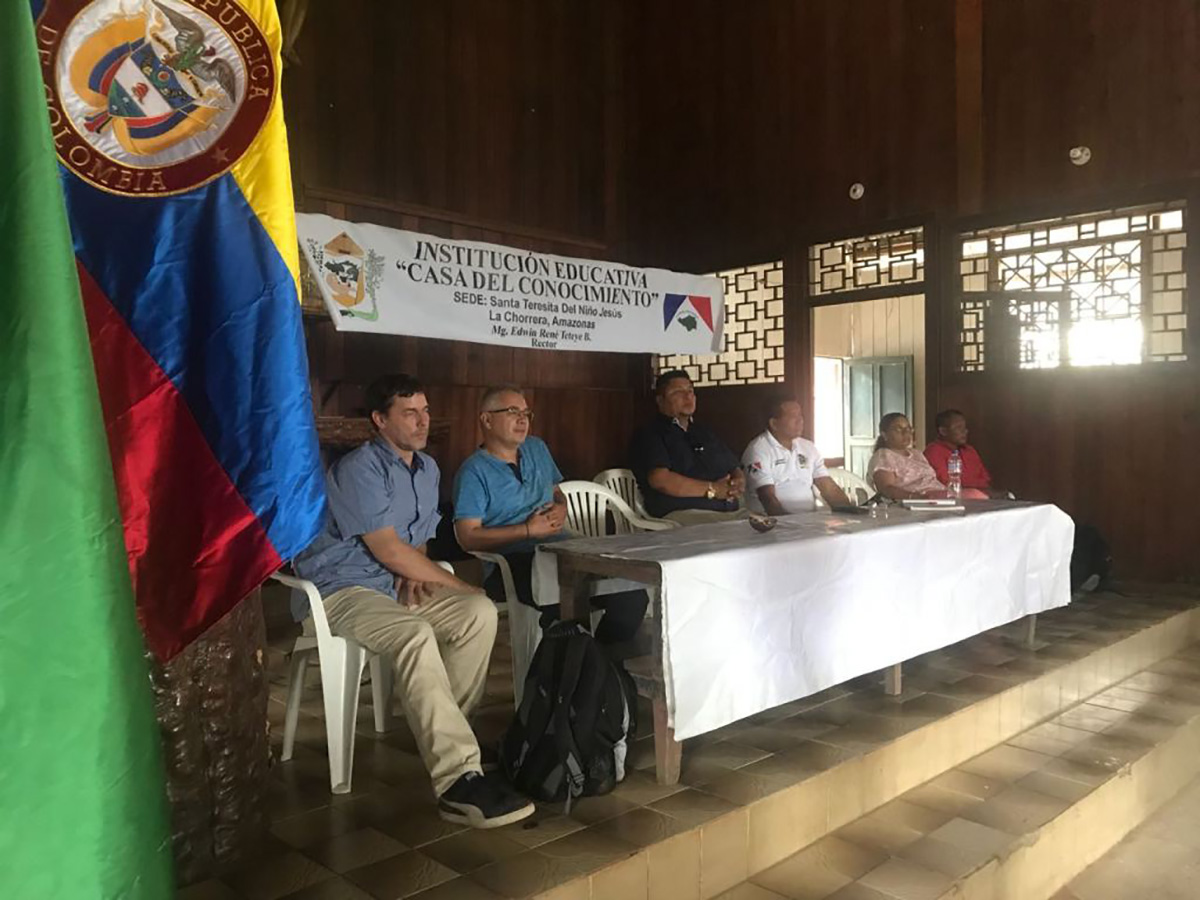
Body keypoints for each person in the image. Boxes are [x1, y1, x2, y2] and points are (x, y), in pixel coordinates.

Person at [292, 375, 533, 828]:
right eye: (410, 413)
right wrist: (456, 583)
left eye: (425, 411)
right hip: (340, 591)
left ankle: (454, 744)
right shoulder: (359, 468)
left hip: (390, 585)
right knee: (420, 629)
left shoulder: (427, 469)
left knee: (478, 615)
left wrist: (416, 574)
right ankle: (457, 780)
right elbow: (387, 548)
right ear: (380, 420)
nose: (423, 421)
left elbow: (414, 546)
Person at [452, 385, 647, 643]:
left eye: (526, 413)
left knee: (631, 595)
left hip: (564, 549)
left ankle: (599, 671)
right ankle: (574, 674)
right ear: (486, 419)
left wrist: (562, 506)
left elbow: (557, 492)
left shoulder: (536, 448)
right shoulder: (473, 472)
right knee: (567, 606)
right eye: (512, 412)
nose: (523, 419)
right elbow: (467, 537)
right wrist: (527, 531)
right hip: (514, 561)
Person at [629, 369, 747, 524]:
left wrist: (737, 482)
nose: (687, 396)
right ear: (660, 400)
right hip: (683, 513)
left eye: (690, 391)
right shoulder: (651, 433)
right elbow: (660, 480)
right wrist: (713, 489)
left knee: (769, 526)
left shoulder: (704, 431)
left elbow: (733, 467)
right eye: (677, 392)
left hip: (728, 509)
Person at [742, 396, 852, 514]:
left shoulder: (808, 447)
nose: (800, 421)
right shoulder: (758, 450)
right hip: (772, 524)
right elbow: (768, 499)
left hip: (809, 521)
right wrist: (792, 524)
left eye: (800, 416)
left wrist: (851, 512)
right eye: (793, 417)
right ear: (774, 423)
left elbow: (828, 487)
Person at [867, 412, 953, 500]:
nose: (906, 433)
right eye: (898, 429)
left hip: (938, 499)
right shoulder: (883, 456)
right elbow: (886, 489)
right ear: (884, 434)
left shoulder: (917, 454)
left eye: (908, 429)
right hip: (912, 504)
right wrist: (917, 497)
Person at [923, 409, 1008, 498]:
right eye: (958, 427)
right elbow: (946, 482)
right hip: (955, 498)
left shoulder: (969, 450)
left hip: (981, 495)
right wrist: (974, 486)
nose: (965, 431)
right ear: (943, 431)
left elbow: (985, 478)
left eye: (964, 427)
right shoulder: (933, 451)